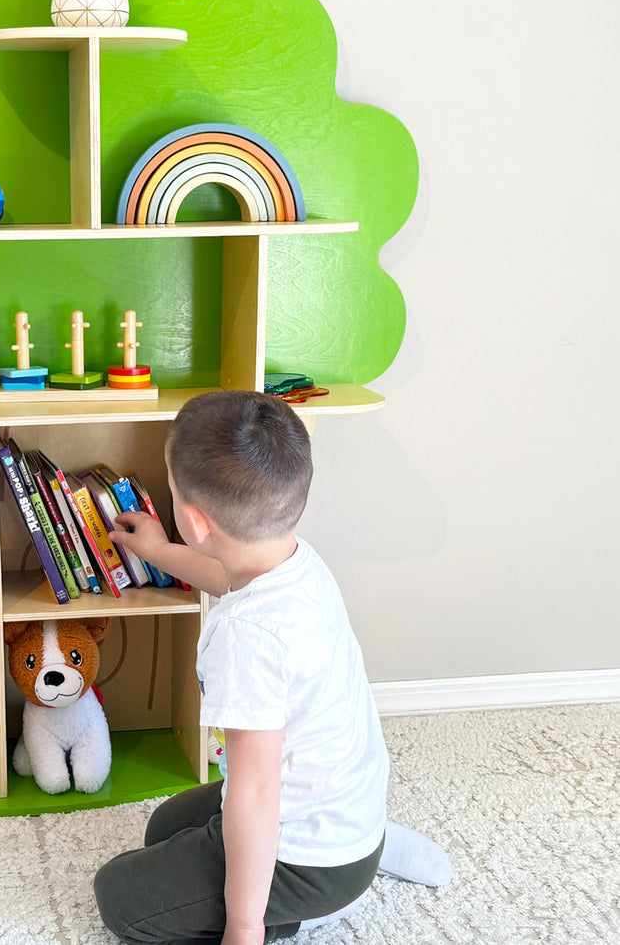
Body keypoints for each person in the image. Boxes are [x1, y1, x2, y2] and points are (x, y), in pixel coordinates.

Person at [93, 390, 450, 944]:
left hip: (309, 860)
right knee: (163, 828)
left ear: (195, 520)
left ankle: (311, 908)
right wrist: (160, 552)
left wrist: (244, 925)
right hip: (341, 807)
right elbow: (222, 575)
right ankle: (365, 844)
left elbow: (255, 798)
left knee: (120, 898)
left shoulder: (250, 638)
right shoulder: (292, 558)